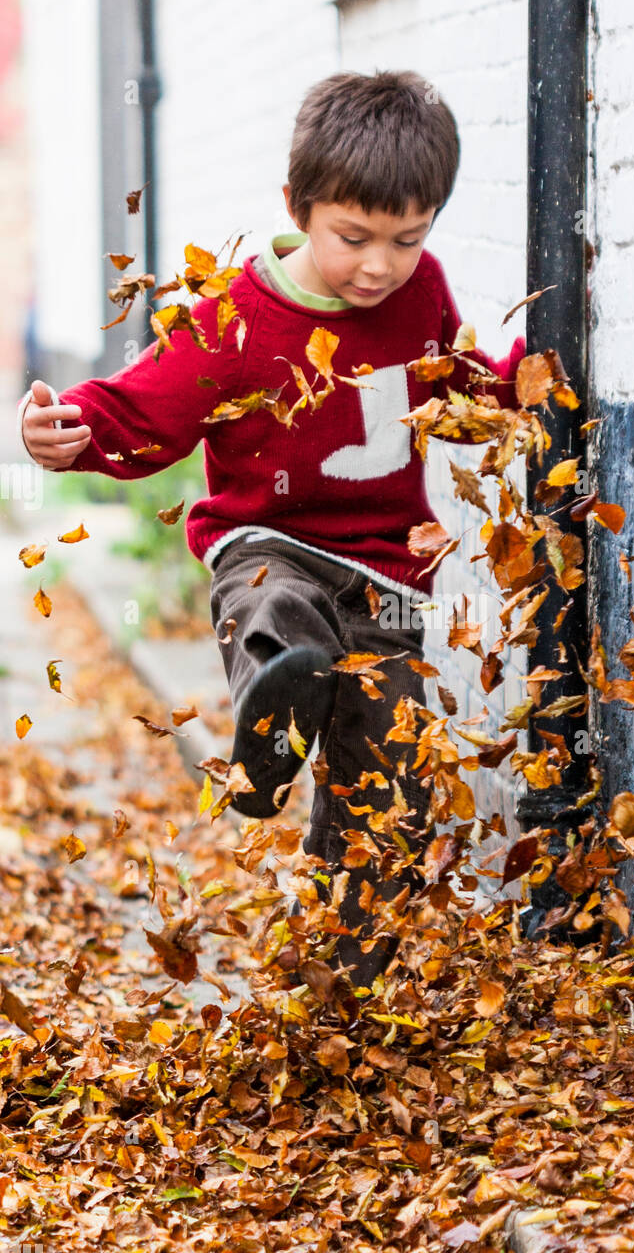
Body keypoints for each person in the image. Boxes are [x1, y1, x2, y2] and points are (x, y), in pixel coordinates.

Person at [16, 69, 526, 984]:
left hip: (390, 574)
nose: (378, 264)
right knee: (279, 607)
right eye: (353, 237)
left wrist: (521, 383)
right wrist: (72, 430)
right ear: (298, 206)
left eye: (408, 239)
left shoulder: (423, 292)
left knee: (393, 770)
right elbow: (146, 408)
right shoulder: (234, 321)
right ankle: (268, 731)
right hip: (268, 542)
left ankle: (341, 972)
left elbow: (458, 382)